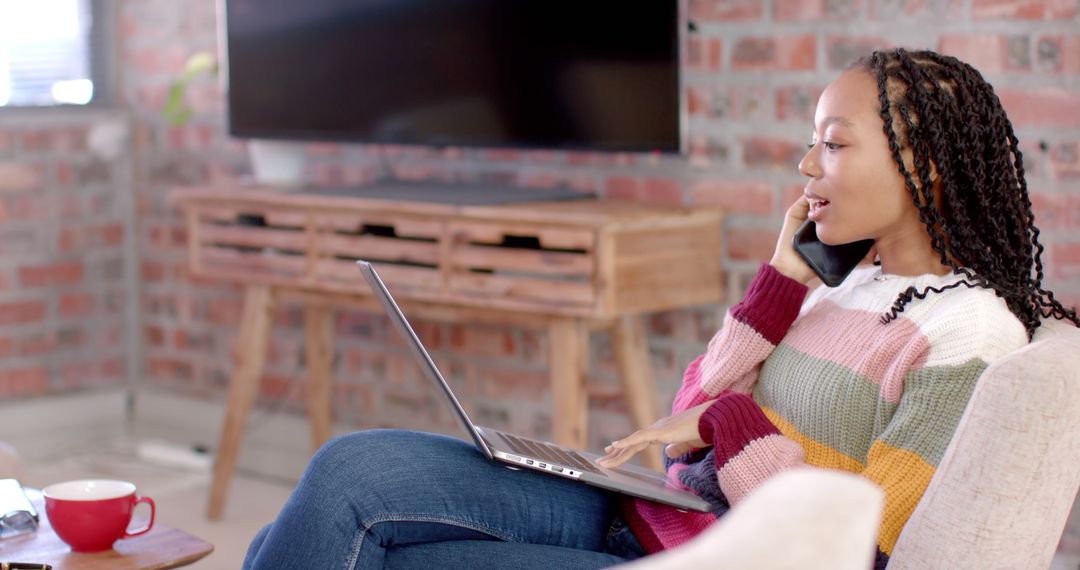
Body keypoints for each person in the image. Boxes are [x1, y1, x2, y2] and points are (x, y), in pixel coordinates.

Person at [242, 48, 1080, 570]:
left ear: (923, 168)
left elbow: (855, 546)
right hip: (655, 512)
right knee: (347, 473)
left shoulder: (966, 333)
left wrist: (732, 424)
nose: (805, 162)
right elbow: (690, 413)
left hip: (718, 555)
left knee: (341, 547)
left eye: (833, 141)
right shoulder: (846, 283)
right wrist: (780, 284)